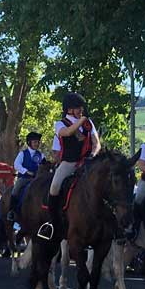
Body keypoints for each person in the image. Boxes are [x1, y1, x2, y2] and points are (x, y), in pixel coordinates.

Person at [38, 93, 101, 240]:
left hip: (88, 162)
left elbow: (96, 143)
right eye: (77, 108)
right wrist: (83, 120)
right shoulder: (60, 123)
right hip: (69, 163)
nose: (80, 110)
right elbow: (68, 132)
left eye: (81, 108)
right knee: (54, 187)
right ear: (68, 109)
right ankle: (51, 223)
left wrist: (92, 155)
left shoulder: (88, 123)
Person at [8, 131, 45, 220]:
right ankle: (11, 212)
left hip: (37, 179)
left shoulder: (41, 155)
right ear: (29, 143)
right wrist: (26, 171)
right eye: (35, 142)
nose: (37, 144)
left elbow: (44, 166)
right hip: (24, 178)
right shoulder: (22, 153)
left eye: (38, 142)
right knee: (15, 190)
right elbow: (16, 165)